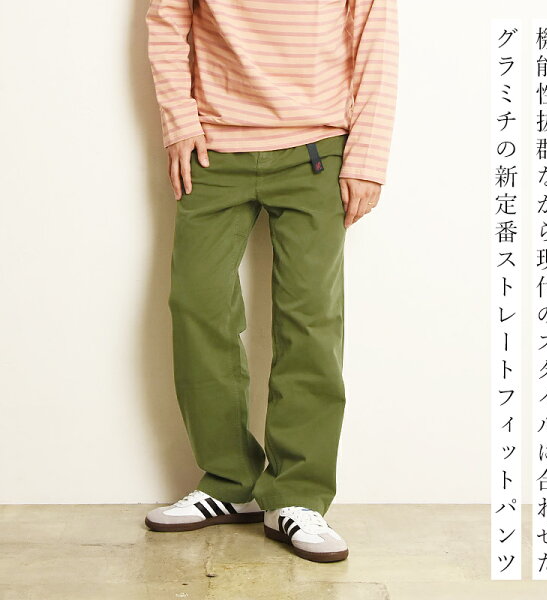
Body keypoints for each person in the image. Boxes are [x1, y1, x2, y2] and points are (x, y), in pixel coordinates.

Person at [143, 0, 398, 563]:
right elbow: (167, 17)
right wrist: (179, 120)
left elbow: (374, 38)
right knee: (197, 306)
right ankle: (228, 480)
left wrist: (367, 156)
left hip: (317, 150)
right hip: (212, 149)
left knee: (310, 320)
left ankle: (297, 494)